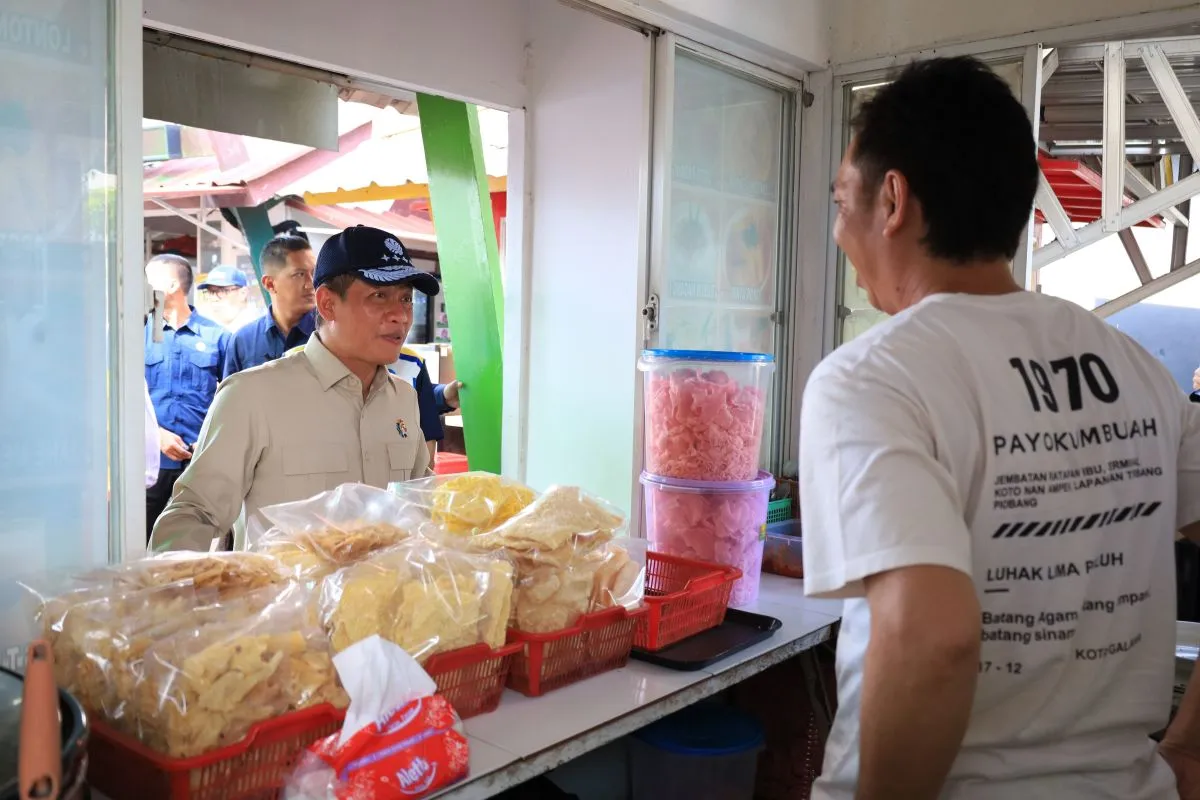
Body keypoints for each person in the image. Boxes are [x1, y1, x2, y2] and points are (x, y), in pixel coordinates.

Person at [800, 56, 1200, 800]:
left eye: (839, 201)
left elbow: (933, 636)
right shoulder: (1137, 369)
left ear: (892, 201)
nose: (836, 232)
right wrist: (1192, 752)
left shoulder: (870, 379)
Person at [150, 225, 437, 552]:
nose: (400, 315)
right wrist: (173, 591)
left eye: (405, 299)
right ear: (328, 305)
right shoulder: (252, 396)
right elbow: (193, 513)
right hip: (284, 602)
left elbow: (419, 505)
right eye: (379, 296)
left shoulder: (403, 399)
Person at [144, 254, 232, 542]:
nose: (142, 287)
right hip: (151, 468)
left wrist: (209, 438)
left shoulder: (217, 336)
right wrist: (155, 434)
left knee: (196, 552)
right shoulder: (136, 335)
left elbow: (234, 398)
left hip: (201, 466)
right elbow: (123, 399)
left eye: (148, 280)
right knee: (145, 546)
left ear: (170, 286)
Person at [221, 235, 317, 379]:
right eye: (299, 274)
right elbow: (230, 398)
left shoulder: (331, 335)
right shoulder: (243, 341)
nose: (311, 284)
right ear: (270, 284)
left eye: (314, 273)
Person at [197, 264, 257, 331]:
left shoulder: (257, 330)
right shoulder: (205, 329)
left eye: (221, 291)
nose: (214, 298)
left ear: (243, 293)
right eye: (210, 292)